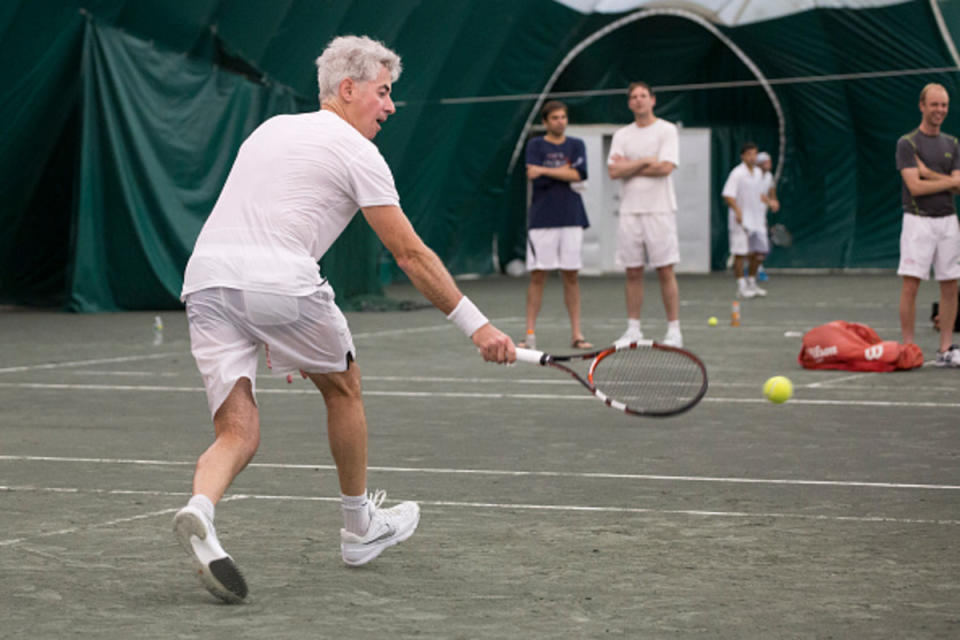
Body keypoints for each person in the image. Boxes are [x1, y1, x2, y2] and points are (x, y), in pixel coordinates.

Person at [174, 35, 516, 603]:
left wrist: (272, 327)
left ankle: (200, 509)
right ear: (348, 89)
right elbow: (410, 254)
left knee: (238, 431)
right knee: (344, 388)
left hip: (207, 280)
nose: (390, 106)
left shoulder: (270, 129)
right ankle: (358, 528)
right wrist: (478, 326)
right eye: (383, 93)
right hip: (278, 280)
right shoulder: (359, 152)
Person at [607, 81, 683, 347]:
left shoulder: (667, 130)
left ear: (653, 100)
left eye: (643, 96)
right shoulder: (622, 135)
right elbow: (613, 171)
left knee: (665, 270)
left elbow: (665, 168)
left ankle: (674, 330)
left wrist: (629, 166)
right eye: (634, 97)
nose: (638, 100)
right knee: (633, 272)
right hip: (630, 211)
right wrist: (644, 161)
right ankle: (633, 329)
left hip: (660, 210)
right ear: (629, 103)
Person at [896, 82, 960, 367]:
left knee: (950, 286)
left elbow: (958, 185)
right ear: (922, 106)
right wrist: (947, 181)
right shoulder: (907, 143)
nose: (940, 110)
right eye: (934, 104)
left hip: (948, 222)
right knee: (911, 285)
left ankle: (945, 350)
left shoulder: (953, 144)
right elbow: (914, 187)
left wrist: (928, 174)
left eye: (944, 105)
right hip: (918, 223)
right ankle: (908, 348)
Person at [519, 100, 592, 350]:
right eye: (555, 118)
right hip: (542, 222)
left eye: (563, 117)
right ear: (545, 122)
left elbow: (579, 174)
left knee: (571, 276)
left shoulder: (577, 144)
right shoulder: (535, 145)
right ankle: (529, 335)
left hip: (572, 219)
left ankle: (577, 335)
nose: (560, 121)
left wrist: (545, 170)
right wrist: (563, 170)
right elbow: (532, 173)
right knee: (538, 276)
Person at [722, 142, 775, 298]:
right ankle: (741, 286)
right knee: (739, 254)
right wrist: (738, 211)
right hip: (741, 221)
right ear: (743, 156)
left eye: (754, 154)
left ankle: (752, 282)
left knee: (759, 253)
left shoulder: (759, 174)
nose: (752, 157)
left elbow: (760, 195)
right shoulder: (737, 173)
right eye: (749, 154)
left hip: (757, 220)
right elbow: (728, 195)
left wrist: (770, 202)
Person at [755, 151, 780, 283]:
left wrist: (774, 200)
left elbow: (771, 190)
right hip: (750, 216)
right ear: (760, 164)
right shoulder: (753, 176)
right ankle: (756, 270)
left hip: (761, 216)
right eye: (767, 162)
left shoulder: (769, 176)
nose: (770, 164)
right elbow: (758, 195)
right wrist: (770, 202)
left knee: (763, 247)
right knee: (759, 246)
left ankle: (755, 268)